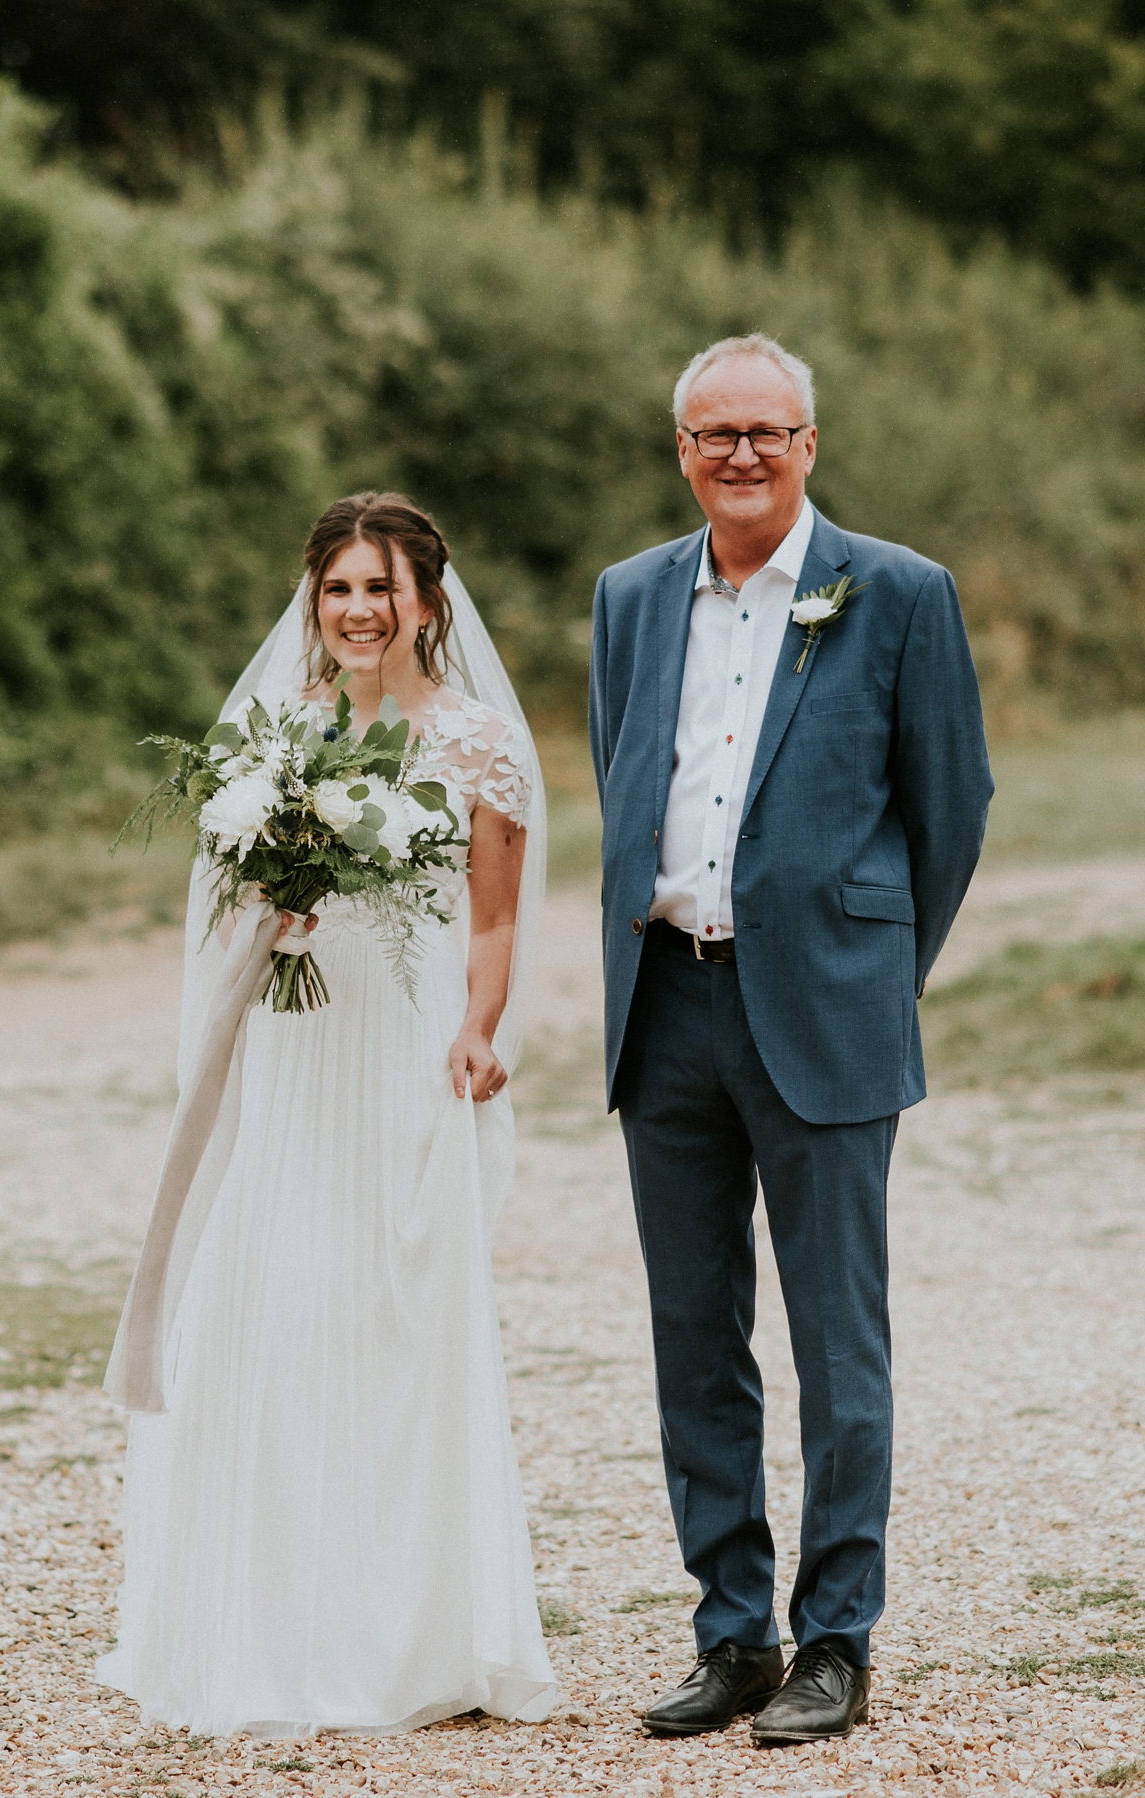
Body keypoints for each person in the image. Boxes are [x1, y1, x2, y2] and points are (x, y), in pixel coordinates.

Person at [98, 492, 556, 1738]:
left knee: (397, 1315)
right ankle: (257, 1625)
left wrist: (481, 1026)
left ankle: (408, 1635)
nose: (359, 610)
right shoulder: (271, 738)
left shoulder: (480, 747)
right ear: (315, 599)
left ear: (428, 600)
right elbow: (223, 907)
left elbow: (498, 913)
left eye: (381, 588)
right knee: (276, 1306)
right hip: (294, 1055)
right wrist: (272, 909)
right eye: (339, 588)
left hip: (405, 1056)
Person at [588, 336, 992, 1743]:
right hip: (667, 1004)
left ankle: (836, 1641)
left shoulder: (896, 592)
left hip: (821, 1007)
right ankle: (730, 1632)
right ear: (682, 449)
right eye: (714, 433)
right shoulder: (630, 597)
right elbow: (623, 771)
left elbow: (951, 809)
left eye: (766, 430)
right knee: (694, 1337)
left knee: (838, 1338)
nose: (740, 454)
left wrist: (869, 964)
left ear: (809, 442)